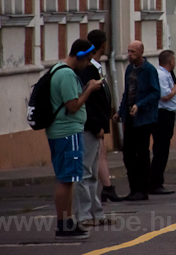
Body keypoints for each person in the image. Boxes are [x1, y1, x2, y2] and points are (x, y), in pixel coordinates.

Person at [46, 39, 103, 240]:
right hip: (67, 132)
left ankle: (69, 221)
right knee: (66, 179)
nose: (88, 63)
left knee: (69, 178)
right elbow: (72, 105)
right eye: (87, 59)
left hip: (64, 131)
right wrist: (89, 89)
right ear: (79, 56)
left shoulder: (58, 70)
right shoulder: (67, 74)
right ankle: (64, 224)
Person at [73, 30, 112, 227]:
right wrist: (96, 124)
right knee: (85, 171)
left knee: (92, 173)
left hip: (97, 126)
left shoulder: (95, 68)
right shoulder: (88, 71)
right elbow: (86, 102)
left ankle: (96, 212)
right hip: (90, 127)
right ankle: (84, 214)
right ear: (102, 45)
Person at [113, 40, 160, 201]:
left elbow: (155, 93)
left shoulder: (149, 70)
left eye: (133, 52)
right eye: (128, 51)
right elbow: (127, 93)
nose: (130, 54)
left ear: (141, 52)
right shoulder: (129, 70)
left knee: (142, 153)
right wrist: (120, 112)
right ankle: (133, 188)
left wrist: (139, 106)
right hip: (130, 117)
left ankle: (142, 189)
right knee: (128, 154)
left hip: (144, 118)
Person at [149, 49, 176, 195]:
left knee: (163, 148)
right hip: (163, 115)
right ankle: (155, 182)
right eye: (174, 59)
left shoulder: (166, 74)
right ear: (170, 61)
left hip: (167, 114)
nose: (175, 61)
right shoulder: (161, 74)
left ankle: (157, 180)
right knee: (161, 149)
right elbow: (165, 95)